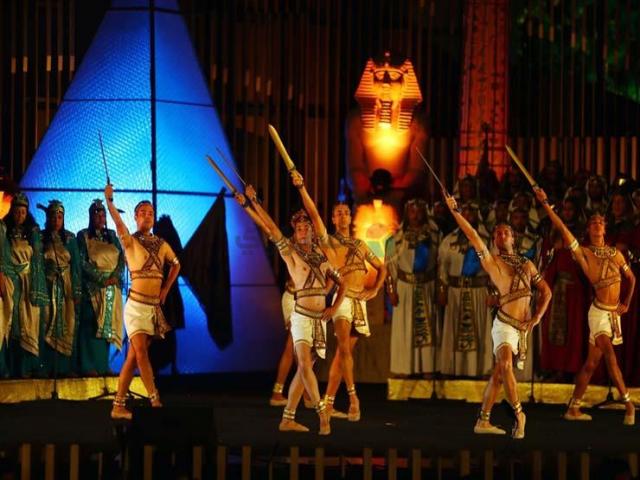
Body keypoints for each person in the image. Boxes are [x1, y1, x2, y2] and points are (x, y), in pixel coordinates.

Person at [235, 184, 345, 435]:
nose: (304, 231)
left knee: (305, 370)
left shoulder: (323, 258)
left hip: (320, 319)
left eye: (307, 227)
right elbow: (271, 228)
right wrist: (253, 203)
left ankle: (287, 419)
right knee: (304, 365)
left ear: (313, 232)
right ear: (295, 233)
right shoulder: (290, 253)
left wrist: (334, 307)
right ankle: (322, 413)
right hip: (301, 316)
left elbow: (343, 284)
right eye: (299, 228)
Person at [443, 192, 551, 439]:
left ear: (514, 238)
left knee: (498, 376)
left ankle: (483, 419)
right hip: (503, 324)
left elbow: (546, 292)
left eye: (506, 233)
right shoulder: (492, 262)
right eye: (498, 233)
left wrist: (536, 318)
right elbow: (472, 234)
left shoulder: (527, 265)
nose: (502, 236)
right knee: (505, 365)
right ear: (494, 239)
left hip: (522, 327)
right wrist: (455, 211)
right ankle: (519, 414)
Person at [534, 187, 636, 425]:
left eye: (601, 222)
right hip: (599, 313)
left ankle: (574, 407)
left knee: (591, 364)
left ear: (605, 228)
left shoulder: (615, 253)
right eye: (593, 222)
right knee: (610, 356)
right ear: (588, 229)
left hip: (614, 314)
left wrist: (626, 303)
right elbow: (561, 227)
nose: (597, 224)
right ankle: (629, 405)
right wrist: (546, 204)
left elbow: (631, 279)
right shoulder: (584, 253)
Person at [292, 171, 387, 422]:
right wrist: (301, 188)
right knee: (344, 349)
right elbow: (313, 213)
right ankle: (354, 399)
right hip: (342, 301)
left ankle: (329, 402)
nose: (343, 216)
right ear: (333, 219)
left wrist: (375, 289)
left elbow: (383, 268)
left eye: (346, 212)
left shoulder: (360, 245)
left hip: (359, 302)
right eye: (339, 213)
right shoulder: (329, 242)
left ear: (350, 216)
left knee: (343, 356)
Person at [105, 185, 180, 420]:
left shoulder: (162, 244)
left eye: (150, 213)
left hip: (153, 308)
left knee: (133, 357)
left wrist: (165, 289)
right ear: (136, 217)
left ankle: (118, 405)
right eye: (143, 213)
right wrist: (110, 202)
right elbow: (118, 223)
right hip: (136, 308)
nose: (147, 216)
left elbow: (176, 265)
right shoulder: (129, 240)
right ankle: (155, 400)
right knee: (140, 354)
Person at [385, 198, 441, 377]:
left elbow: (441, 265)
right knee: (405, 328)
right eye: (412, 211)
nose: (415, 215)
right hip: (405, 288)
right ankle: (404, 368)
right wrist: (391, 291)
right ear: (406, 214)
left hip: (427, 287)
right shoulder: (396, 239)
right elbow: (389, 268)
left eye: (419, 211)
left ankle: (428, 368)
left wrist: (440, 290)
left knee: (427, 327)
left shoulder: (435, 237)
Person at [77, 199, 125, 376]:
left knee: (107, 327)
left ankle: (103, 366)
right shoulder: (83, 235)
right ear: (91, 217)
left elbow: (122, 259)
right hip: (94, 287)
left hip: (111, 287)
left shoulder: (112, 235)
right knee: (91, 325)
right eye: (97, 215)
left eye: (103, 215)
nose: (100, 218)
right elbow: (82, 261)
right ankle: (88, 366)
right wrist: (100, 278)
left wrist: (114, 277)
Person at [3, 194, 47, 378]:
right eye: (17, 211)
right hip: (11, 281)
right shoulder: (4, 229)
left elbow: (37, 257)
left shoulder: (33, 231)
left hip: (28, 282)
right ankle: (10, 368)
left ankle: (27, 368)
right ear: (12, 211)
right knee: (11, 322)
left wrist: (37, 285)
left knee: (29, 322)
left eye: (23, 212)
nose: (20, 215)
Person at [41, 200, 81, 377]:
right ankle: (46, 367)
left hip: (66, 287)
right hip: (47, 285)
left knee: (67, 323)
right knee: (47, 320)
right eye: (52, 216)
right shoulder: (40, 237)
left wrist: (77, 291)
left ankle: (65, 367)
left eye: (59, 217)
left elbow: (76, 266)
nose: (56, 220)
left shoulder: (70, 238)